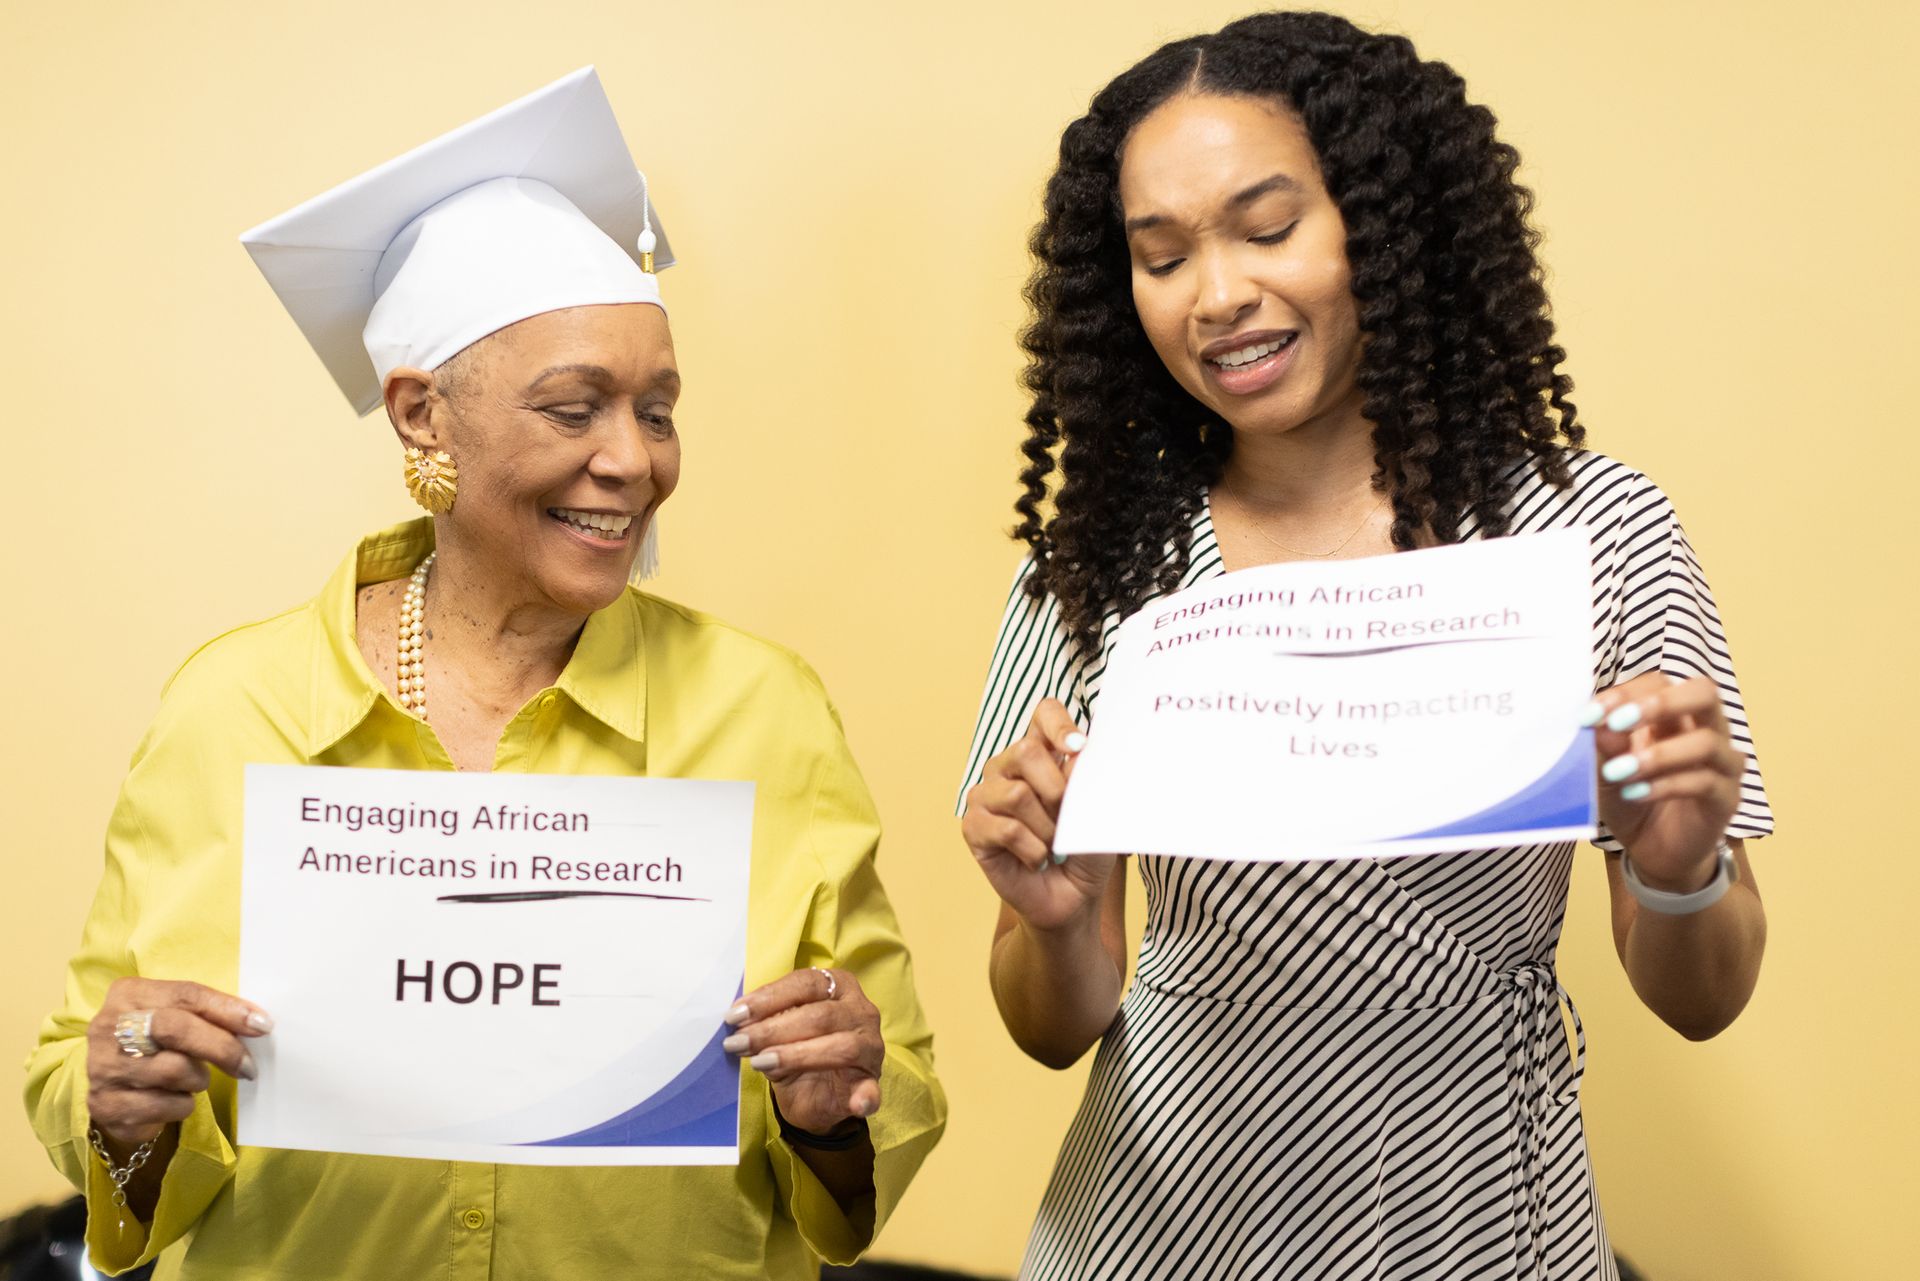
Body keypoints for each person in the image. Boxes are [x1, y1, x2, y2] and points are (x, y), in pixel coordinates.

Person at [25, 68, 944, 1280]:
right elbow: (109, 1137)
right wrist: (124, 1103)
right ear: (421, 416)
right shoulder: (233, 708)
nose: (633, 459)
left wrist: (838, 1103)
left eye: (658, 410)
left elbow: (877, 1129)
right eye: (576, 409)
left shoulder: (765, 709)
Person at [958, 12, 1769, 1280]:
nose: (1218, 295)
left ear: (1388, 228)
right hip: (1158, 1222)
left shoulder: (1590, 531)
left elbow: (1704, 997)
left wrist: (1678, 867)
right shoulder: (1103, 563)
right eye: (1160, 257)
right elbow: (1049, 1027)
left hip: (1484, 1213)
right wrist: (1055, 927)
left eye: (1269, 228)